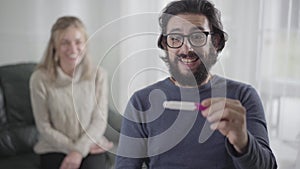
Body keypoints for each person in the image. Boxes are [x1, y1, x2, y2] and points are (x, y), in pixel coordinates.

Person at [115, 0, 277, 168]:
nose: (187, 49)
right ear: (165, 44)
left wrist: (243, 142)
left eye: (198, 36)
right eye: (175, 38)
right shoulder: (141, 102)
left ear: (215, 42)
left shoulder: (243, 96)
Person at [30, 16, 113, 169]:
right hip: (53, 147)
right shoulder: (39, 79)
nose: (73, 49)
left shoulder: (99, 75)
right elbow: (44, 126)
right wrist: (75, 150)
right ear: (54, 45)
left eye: (78, 42)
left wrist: (80, 149)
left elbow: (99, 121)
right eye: (65, 42)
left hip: (90, 144)